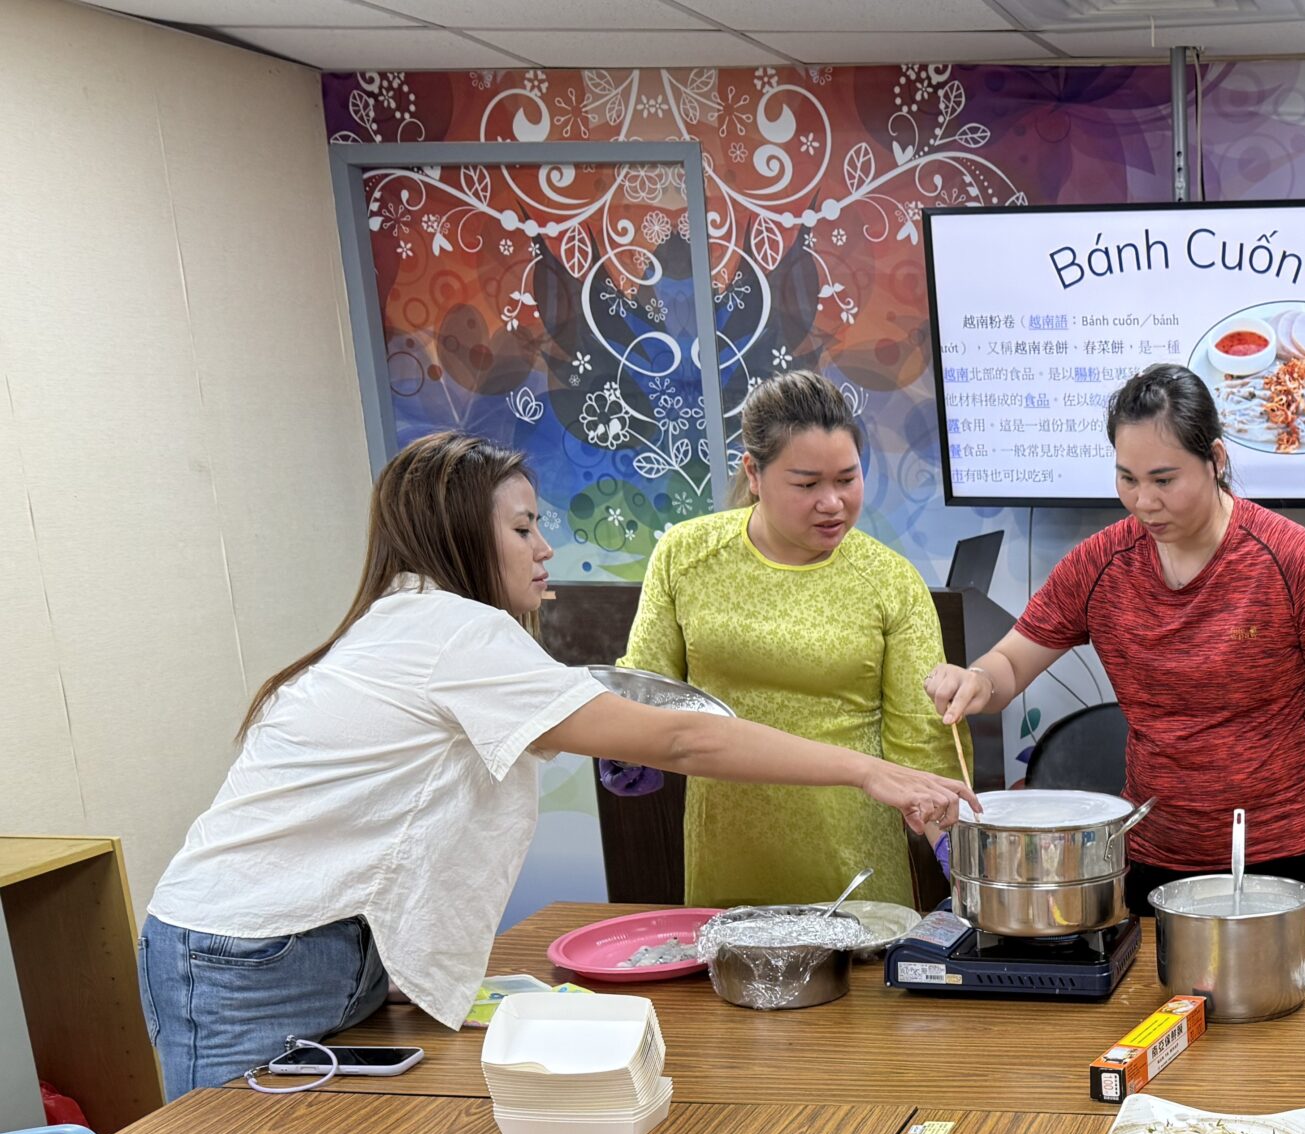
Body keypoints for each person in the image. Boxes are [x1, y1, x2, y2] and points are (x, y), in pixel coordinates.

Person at [140, 432, 978, 1097]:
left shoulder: (429, 627)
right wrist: (866, 771)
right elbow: (679, 734)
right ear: (754, 477)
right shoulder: (459, 632)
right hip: (252, 955)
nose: (545, 547)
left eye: (847, 479)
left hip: (313, 945)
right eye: (521, 529)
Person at [925, 363, 1305, 919]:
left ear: (1216, 460)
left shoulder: (1297, 563)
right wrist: (975, 678)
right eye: (1128, 479)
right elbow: (1010, 666)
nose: (1143, 502)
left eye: (1164, 481)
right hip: (1151, 852)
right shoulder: (1102, 563)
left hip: (1281, 852)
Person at [619, 371, 969, 910]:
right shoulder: (686, 556)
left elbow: (921, 745)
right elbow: (648, 690)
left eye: (847, 479)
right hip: (727, 861)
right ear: (753, 474)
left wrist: (954, 846)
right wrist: (625, 748)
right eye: (806, 485)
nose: (832, 503)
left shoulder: (889, 581)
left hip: (855, 873)